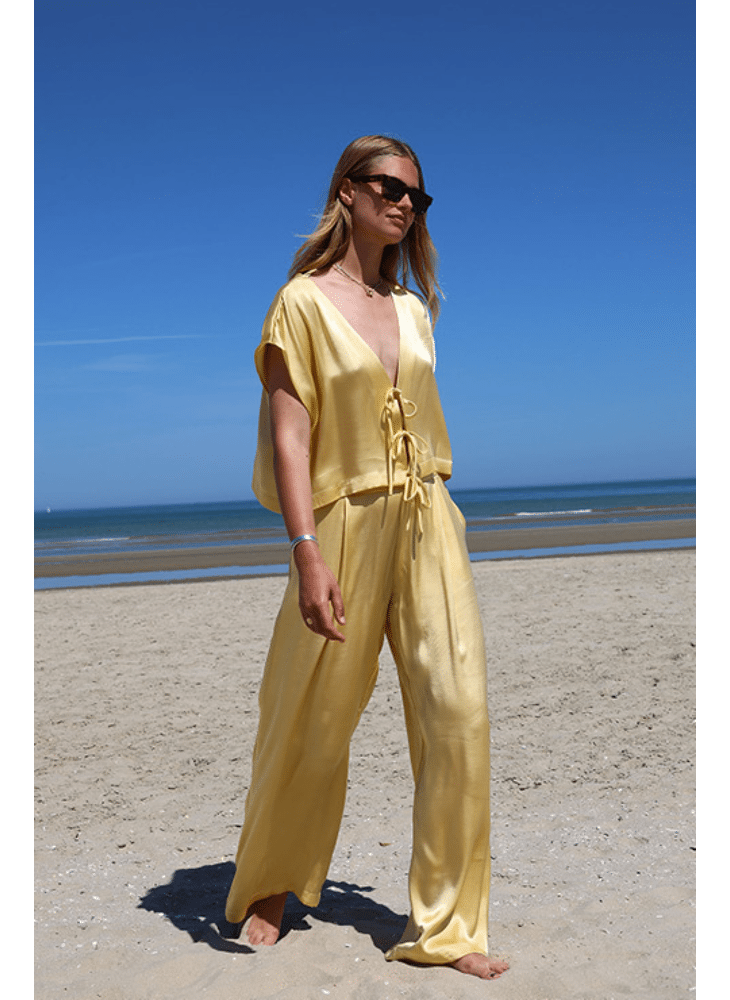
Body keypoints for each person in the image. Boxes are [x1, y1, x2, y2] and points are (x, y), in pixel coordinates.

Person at [225, 135, 509, 981]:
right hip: (342, 522)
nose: (404, 203)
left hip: (429, 519)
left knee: (458, 713)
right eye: (388, 186)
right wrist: (306, 551)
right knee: (313, 716)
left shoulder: (415, 309)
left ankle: (449, 927)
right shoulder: (300, 303)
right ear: (346, 191)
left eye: (417, 195)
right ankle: (272, 883)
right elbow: (291, 434)